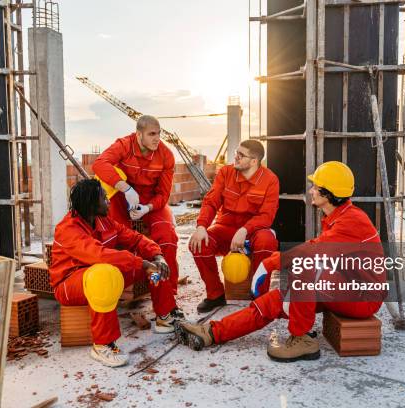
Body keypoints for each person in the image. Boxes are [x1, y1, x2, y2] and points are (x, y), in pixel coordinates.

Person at [176, 161, 386, 362]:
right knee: (274, 301)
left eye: (315, 187)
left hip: (362, 295)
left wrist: (270, 263)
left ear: (327, 193)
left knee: (304, 267)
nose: (311, 190)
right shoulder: (340, 216)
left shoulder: (352, 222)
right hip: (343, 285)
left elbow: (311, 253)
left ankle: (302, 339)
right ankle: (212, 332)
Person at [49, 179, 183, 367]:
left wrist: (156, 256)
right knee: (104, 274)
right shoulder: (68, 229)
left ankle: (165, 316)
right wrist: (140, 263)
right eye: (104, 197)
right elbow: (99, 255)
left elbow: (135, 239)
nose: (109, 200)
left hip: (102, 274)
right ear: (91, 203)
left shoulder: (104, 221)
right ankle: (103, 345)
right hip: (69, 284)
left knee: (153, 268)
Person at [188, 140, 280, 313]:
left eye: (241, 155)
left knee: (267, 241)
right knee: (198, 244)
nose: (235, 157)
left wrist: (245, 230)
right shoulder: (225, 172)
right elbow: (211, 202)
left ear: (254, 161)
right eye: (236, 153)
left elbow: (267, 216)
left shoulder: (270, 180)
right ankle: (215, 295)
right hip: (225, 227)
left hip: (254, 230)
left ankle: (259, 295)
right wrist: (201, 226)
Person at [92, 115, 180, 291]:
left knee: (167, 237)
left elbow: (163, 194)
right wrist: (126, 189)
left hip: (151, 201)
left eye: (159, 133)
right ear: (139, 135)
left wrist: (147, 208)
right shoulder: (124, 145)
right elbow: (100, 164)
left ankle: (168, 293)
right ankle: (121, 284)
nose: (157, 138)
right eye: (151, 134)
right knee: (117, 235)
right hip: (124, 196)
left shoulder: (166, 155)